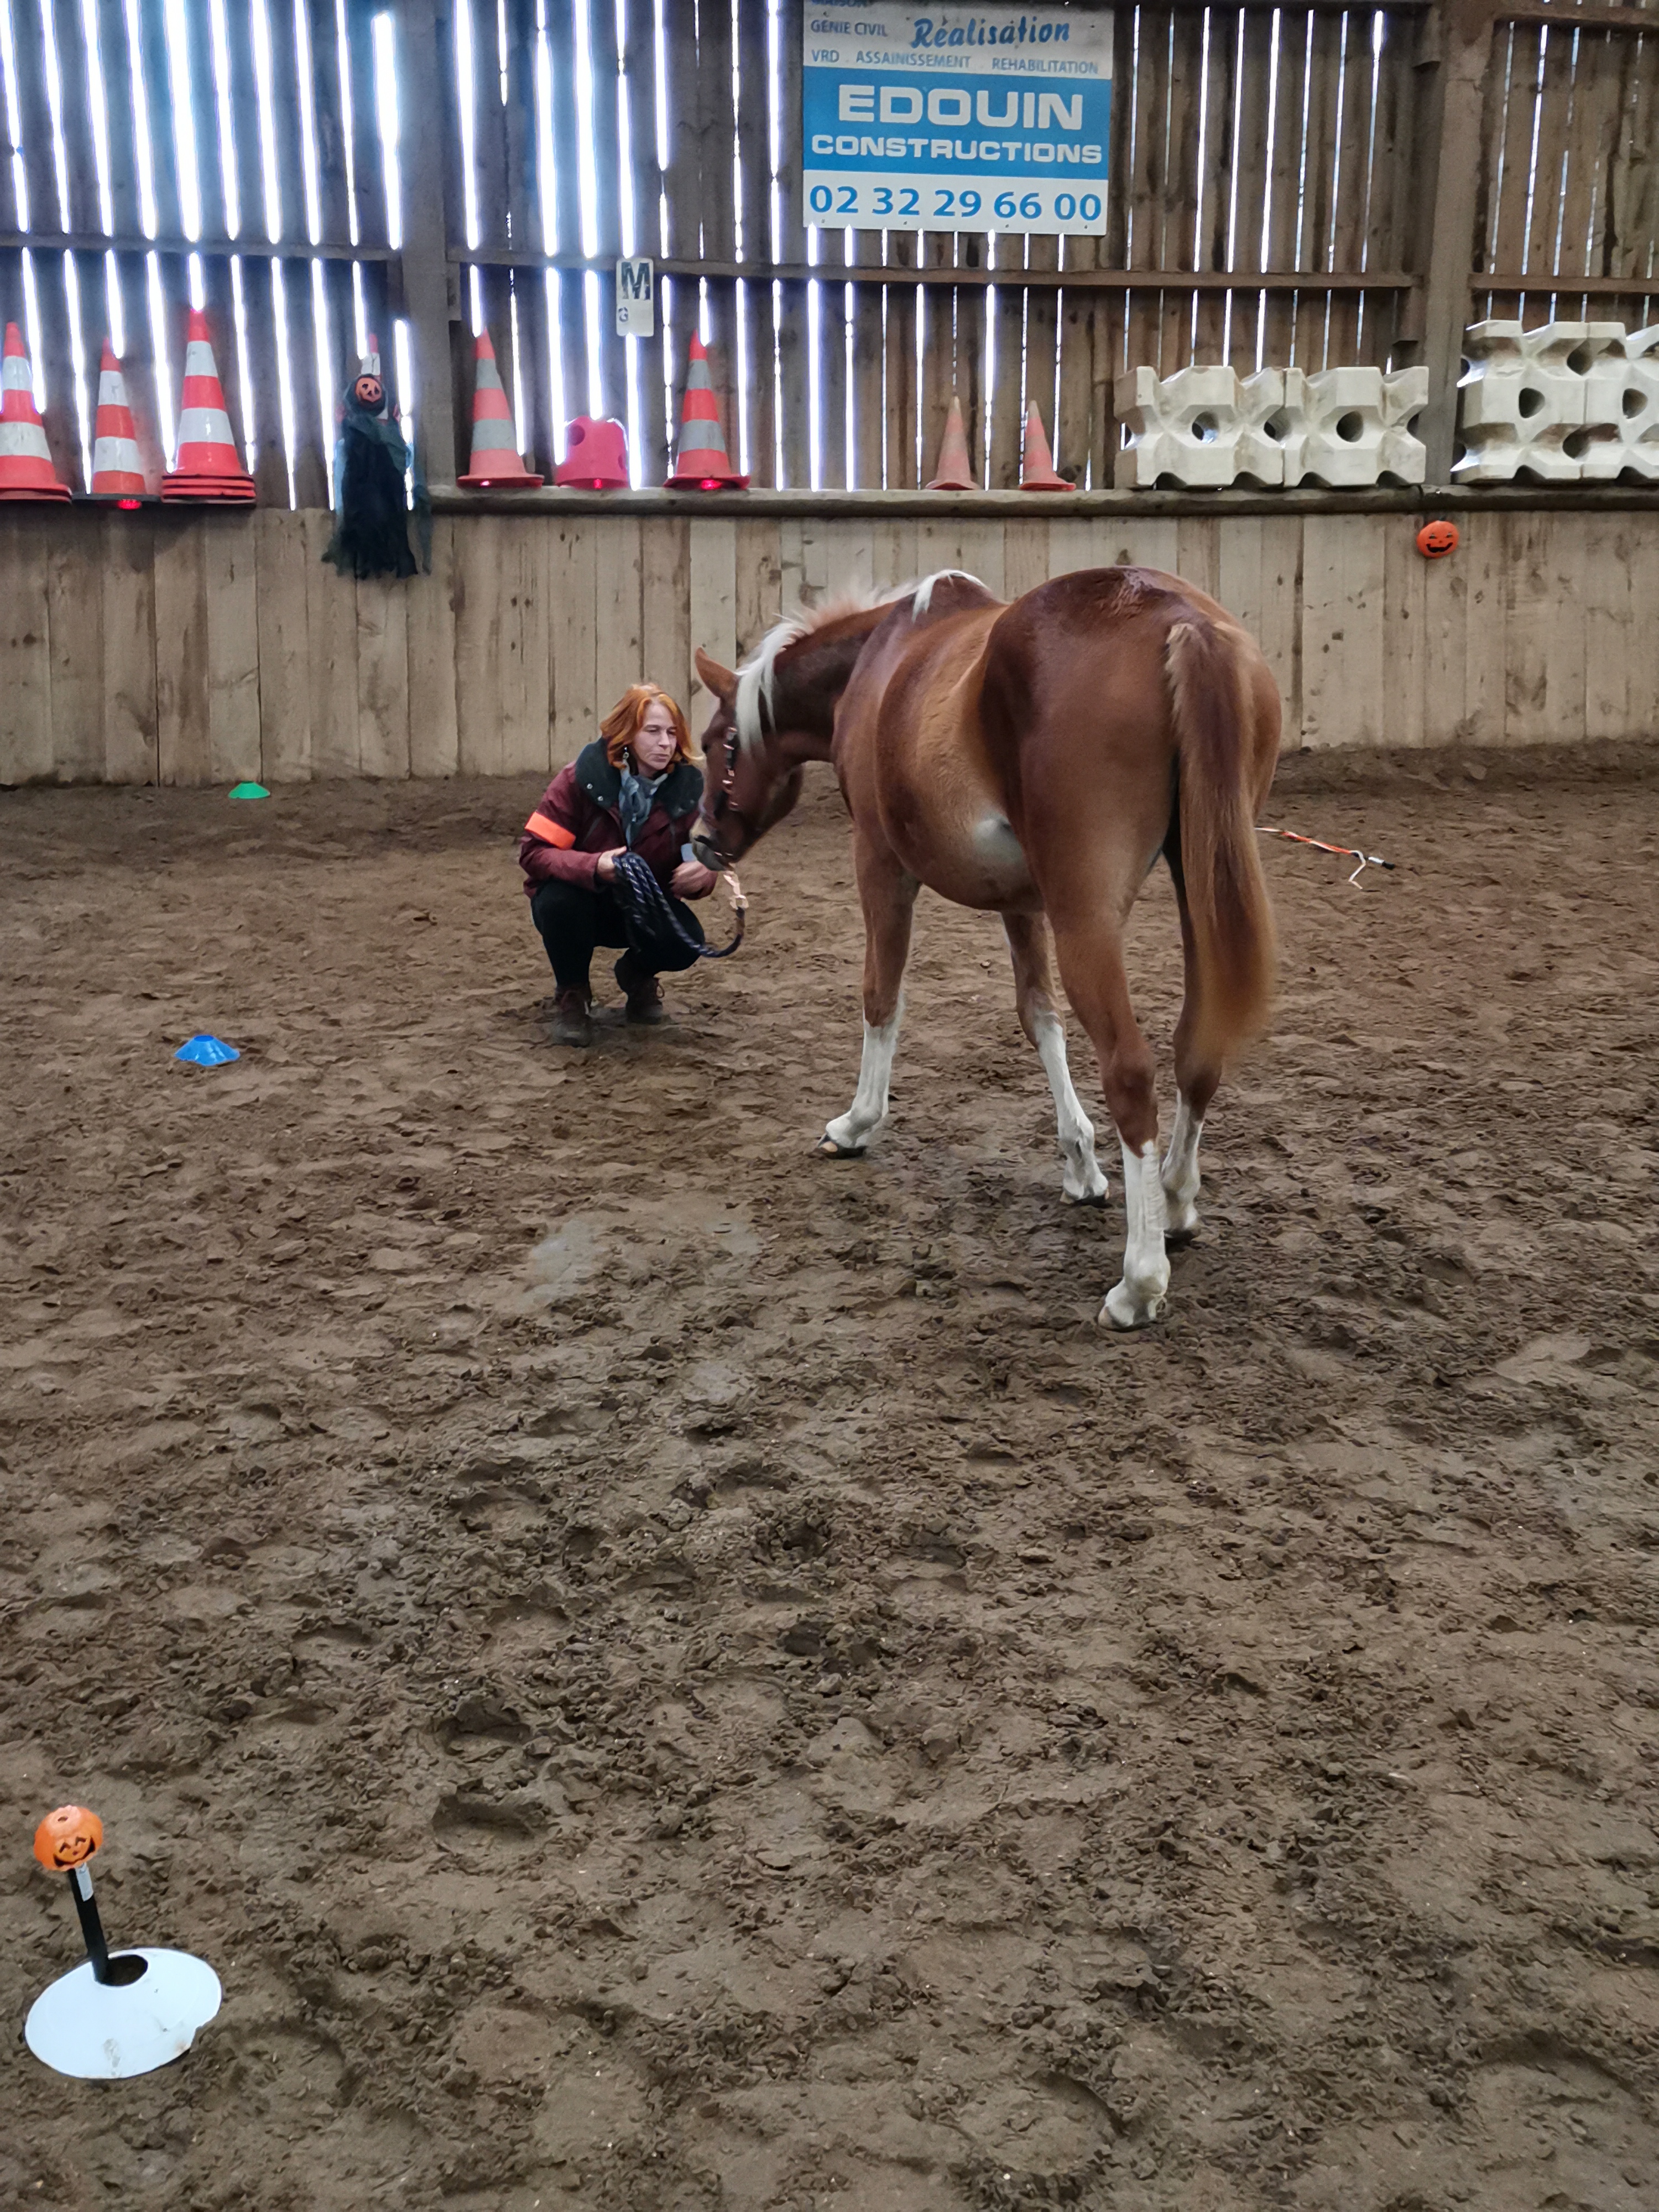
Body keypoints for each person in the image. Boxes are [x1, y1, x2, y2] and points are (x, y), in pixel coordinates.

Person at [519, 683, 718, 1045]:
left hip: (642, 906)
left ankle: (636, 975)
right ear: (627, 734)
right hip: (580, 902)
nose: (665, 743)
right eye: (653, 731)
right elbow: (533, 852)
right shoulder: (577, 780)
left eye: (672, 733)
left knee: (688, 941)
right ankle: (573, 994)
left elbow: (702, 855)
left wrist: (705, 874)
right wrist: (594, 865)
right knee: (559, 902)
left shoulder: (688, 791)